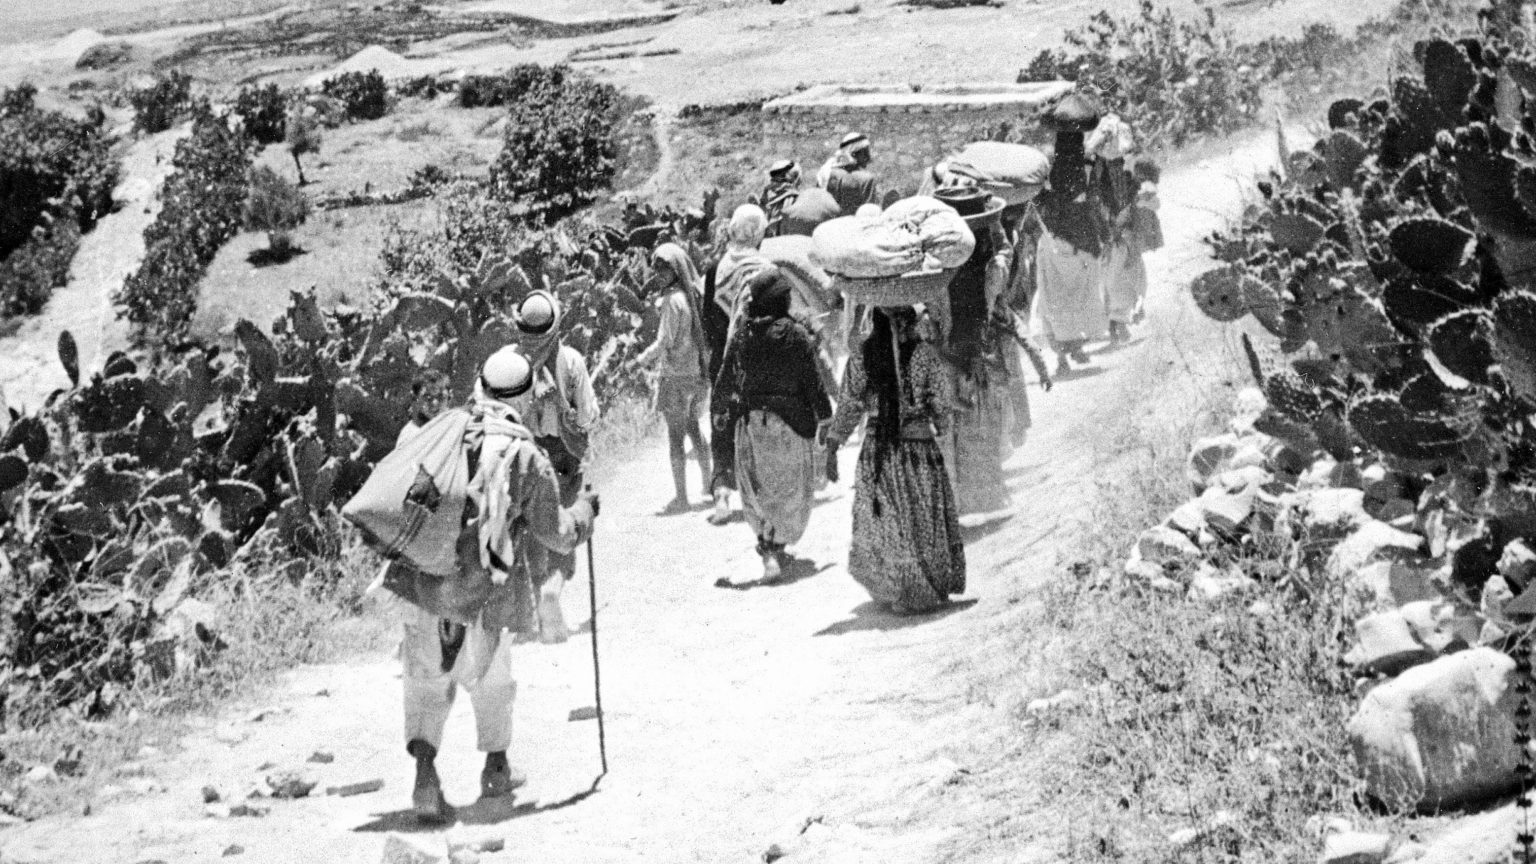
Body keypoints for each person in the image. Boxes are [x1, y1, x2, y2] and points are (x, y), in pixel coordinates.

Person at [394, 346, 599, 821]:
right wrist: (584, 513)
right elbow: (557, 533)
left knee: (425, 680)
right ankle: (495, 769)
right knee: (493, 677)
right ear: (524, 398)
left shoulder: (442, 431)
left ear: (480, 389)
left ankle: (425, 780)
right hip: (487, 587)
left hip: (426, 582)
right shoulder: (524, 453)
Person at [824, 307, 965, 614]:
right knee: (921, 519)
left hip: (879, 453)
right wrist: (941, 425)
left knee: (889, 522)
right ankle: (920, 588)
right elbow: (940, 403)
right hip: (919, 452)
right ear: (906, 322)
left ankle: (898, 587)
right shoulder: (924, 354)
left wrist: (833, 445)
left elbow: (849, 404)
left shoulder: (863, 356)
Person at [711, 268, 833, 583]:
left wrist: (719, 409)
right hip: (790, 425)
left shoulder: (743, 334)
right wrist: (825, 417)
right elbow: (813, 381)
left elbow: (725, 377)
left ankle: (768, 548)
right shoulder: (796, 334)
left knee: (758, 489)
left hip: (752, 424)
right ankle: (775, 547)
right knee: (789, 492)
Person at [506, 290, 599, 644]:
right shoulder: (570, 360)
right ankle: (552, 591)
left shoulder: (510, 362)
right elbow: (587, 415)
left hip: (525, 456)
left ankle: (532, 614)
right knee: (565, 527)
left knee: (532, 530)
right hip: (563, 457)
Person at [707, 206, 776, 523]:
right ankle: (760, 493)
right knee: (759, 422)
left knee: (722, 422)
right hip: (758, 361)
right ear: (758, 233)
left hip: (723, 361)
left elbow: (709, 320)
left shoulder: (715, 269)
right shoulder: (765, 268)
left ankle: (722, 493)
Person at [637, 242, 713, 514]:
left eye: (663, 269)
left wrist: (641, 360)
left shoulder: (671, 301)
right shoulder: (689, 296)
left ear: (675, 271)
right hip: (693, 373)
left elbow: (664, 342)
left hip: (675, 377)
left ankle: (681, 497)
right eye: (656, 269)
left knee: (675, 438)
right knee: (694, 428)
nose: (658, 274)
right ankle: (708, 484)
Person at [821, 132, 880, 216]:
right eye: (865, 153)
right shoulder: (867, 179)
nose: (868, 157)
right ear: (854, 153)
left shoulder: (830, 173)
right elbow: (870, 211)